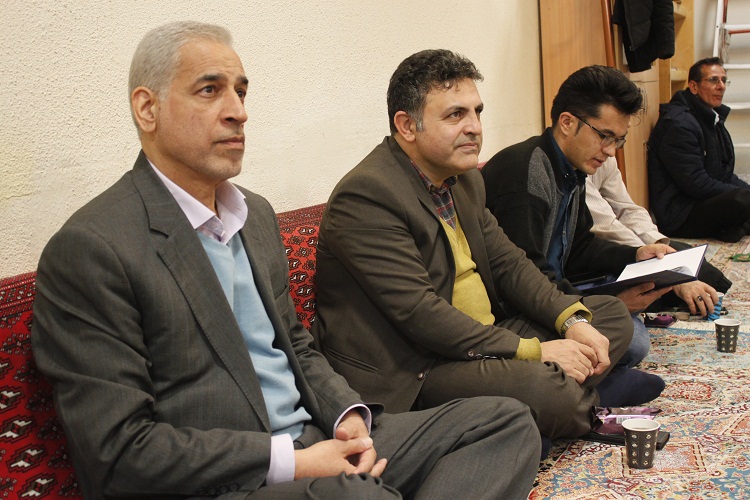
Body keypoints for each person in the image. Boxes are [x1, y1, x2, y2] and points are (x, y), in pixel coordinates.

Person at [30, 22, 541, 499]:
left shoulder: (252, 214)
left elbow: (295, 343)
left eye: (241, 92)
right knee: (360, 494)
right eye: (209, 90)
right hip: (230, 477)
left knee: (505, 423)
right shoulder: (94, 248)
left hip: (315, 438)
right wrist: (294, 464)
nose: (238, 111)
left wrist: (346, 415)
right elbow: (117, 454)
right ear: (147, 109)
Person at [313, 49, 648, 443]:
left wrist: (571, 323)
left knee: (609, 316)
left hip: (484, 336)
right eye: (456, 115)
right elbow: (422, 315)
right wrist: (534, 352)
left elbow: (510, 264)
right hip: (418, 366)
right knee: (547, 389)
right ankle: (572, 403)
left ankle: (537, 415)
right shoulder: (367, 195)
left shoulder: (464, 179)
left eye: (477, 112)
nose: (474, 127)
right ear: (406, 125)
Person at [481, 65, 668, 385]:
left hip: (555, 291)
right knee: (632, 339)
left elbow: (579, 246)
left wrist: (635, 255)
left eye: (618, 140)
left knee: (625, 320)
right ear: (567, 122)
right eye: (604, 136)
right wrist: (585, 312)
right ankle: (588, 390)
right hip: (517, 311)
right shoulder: (524, 172)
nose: (610, 152)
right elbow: (520, 277)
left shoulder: (572, 169)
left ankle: (580, 378)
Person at [587, 157, 731, 315]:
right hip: (591, 255)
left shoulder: (606, 157)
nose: (610, 150)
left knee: (682, 253)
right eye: (606, 141)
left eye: (616, 143)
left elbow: (628, 210)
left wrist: (657, 244)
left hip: (618, 246)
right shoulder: (575, 169)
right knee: (657, 286)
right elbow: (607, 226)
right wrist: (667, 270)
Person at [648, 57, 750, 243]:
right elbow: (696, 184)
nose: (721, 86)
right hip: (679, 214)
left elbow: (724, 174)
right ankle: (733, 227)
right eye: (713, 80)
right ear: (693, 87)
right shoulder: (679, 124)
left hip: (698, 202)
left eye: (723, 80)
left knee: (744, 197)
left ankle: (734, 227)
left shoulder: (709, 117)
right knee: (740, 200)